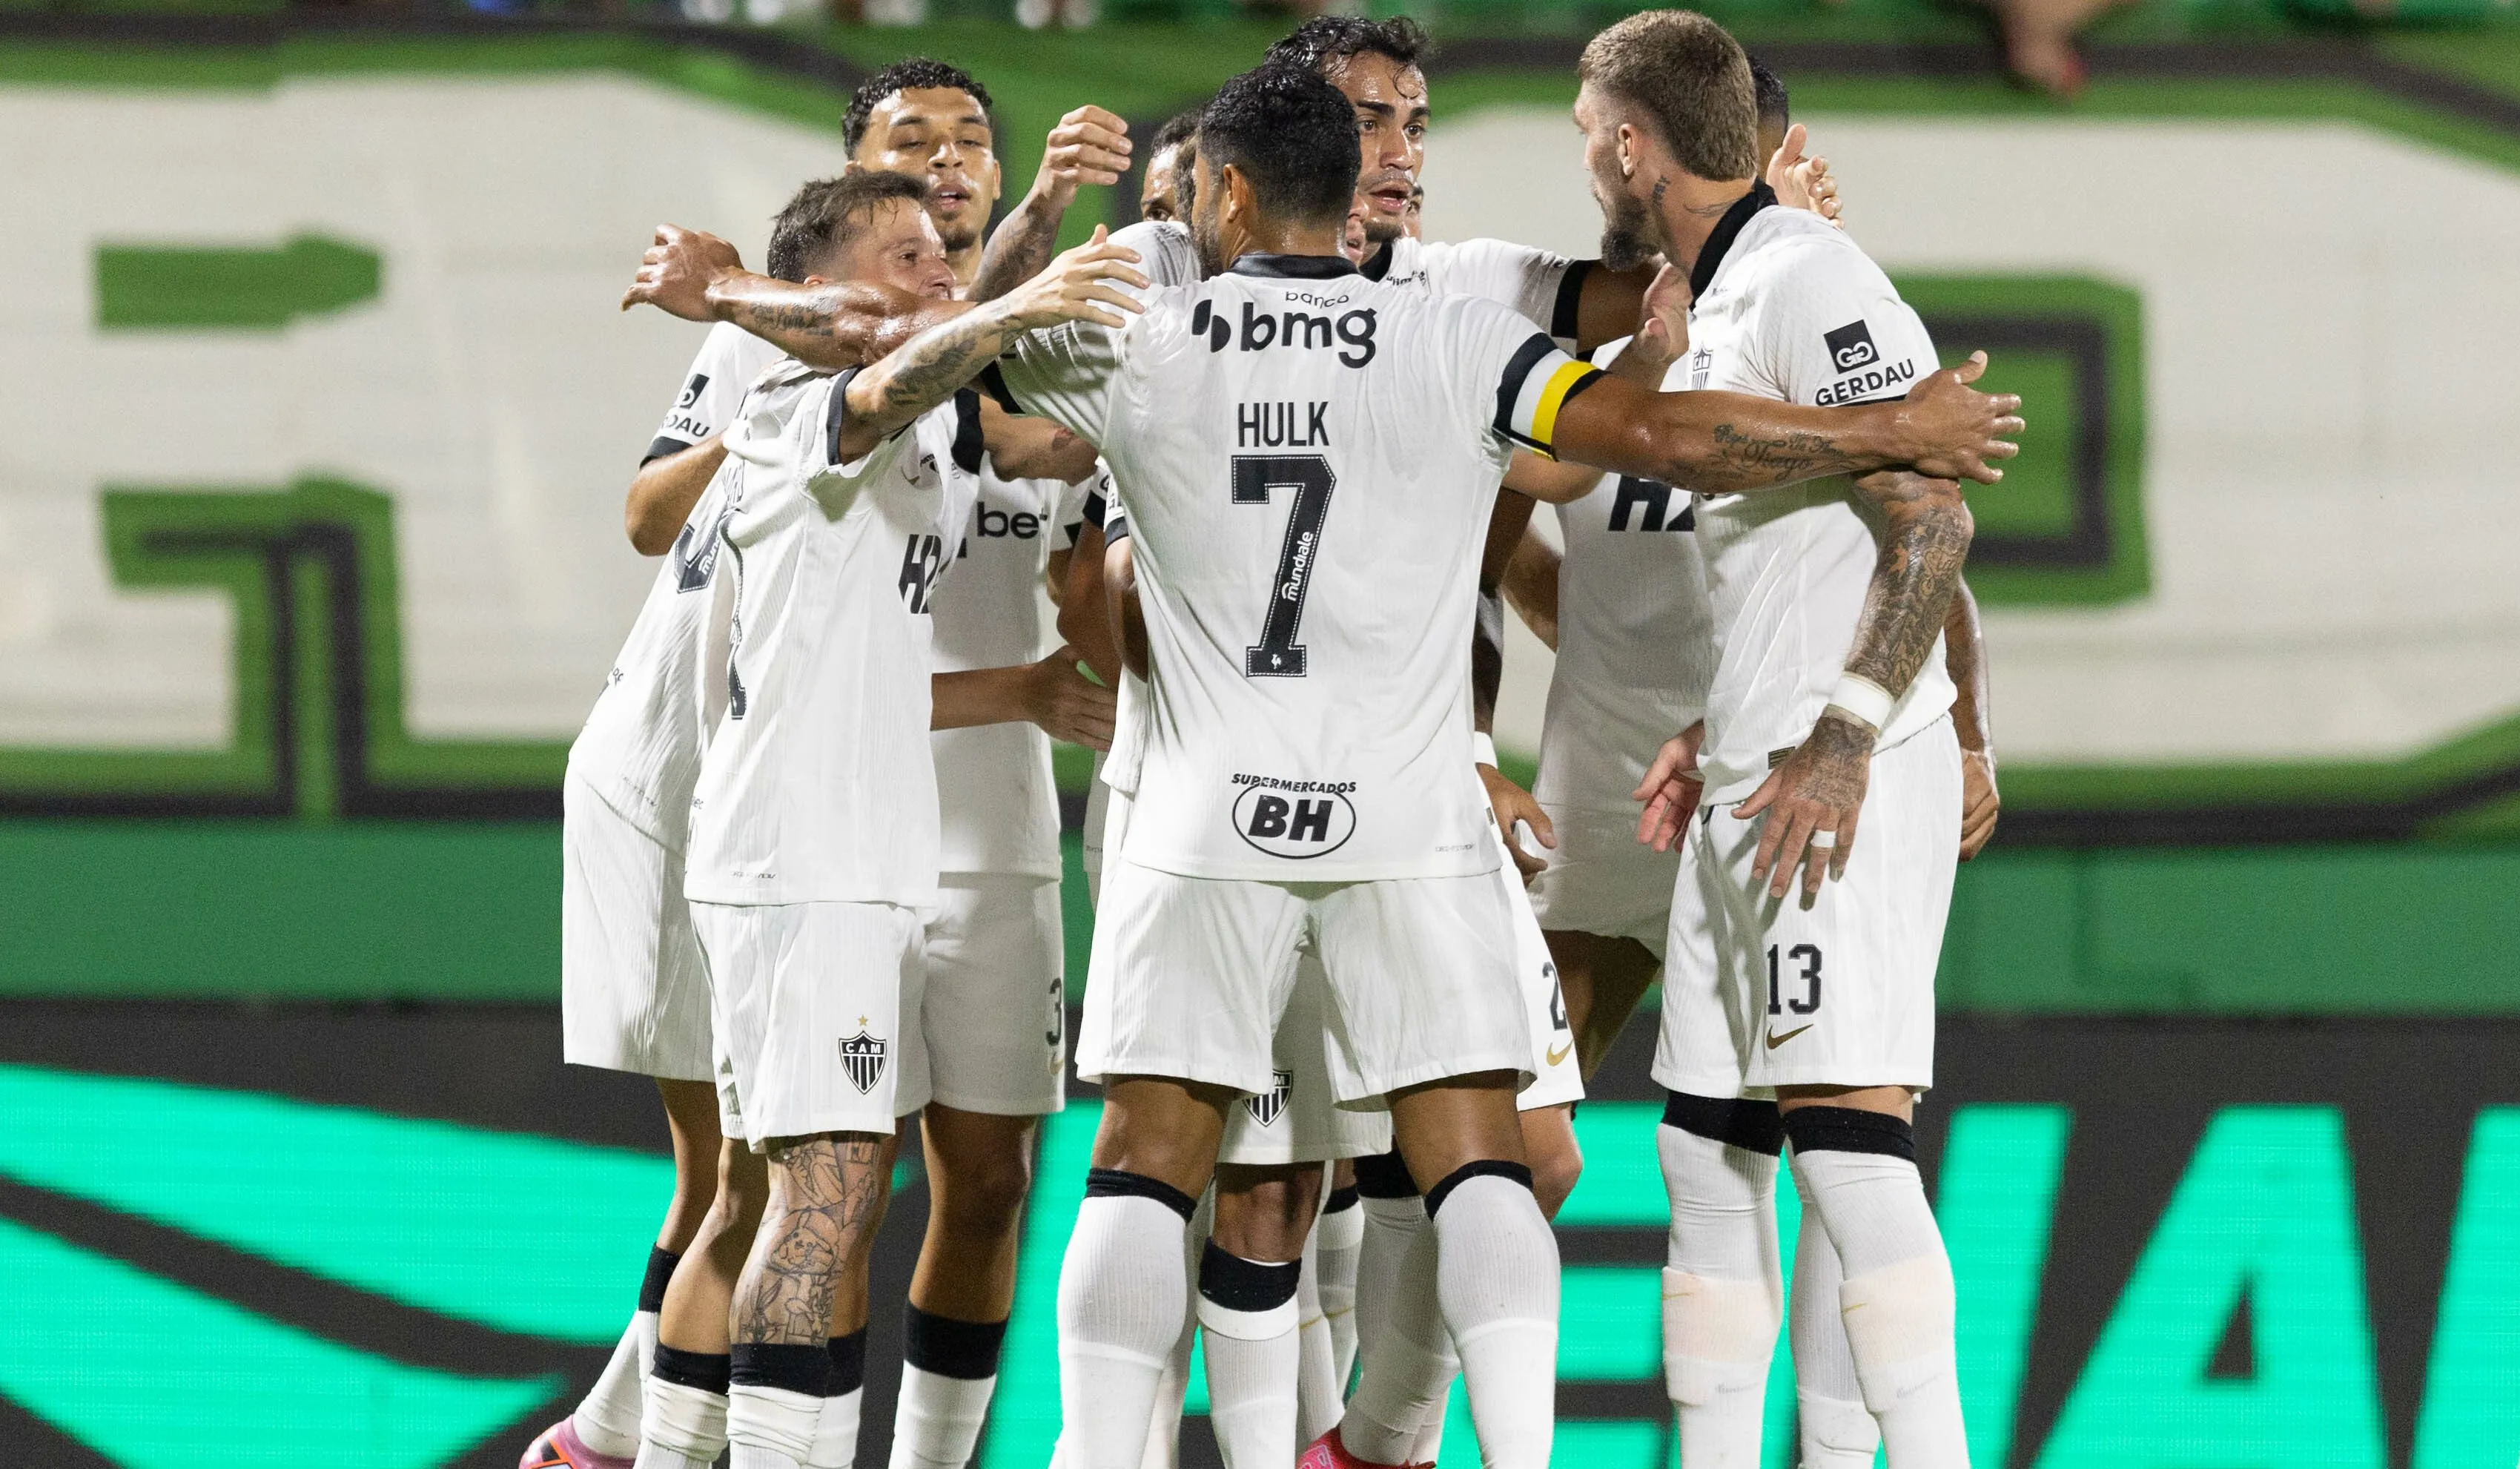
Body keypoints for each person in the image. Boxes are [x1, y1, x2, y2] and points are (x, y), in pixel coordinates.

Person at [983, 58, 2018, 1469]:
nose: (1405, 147)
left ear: (1226, 188)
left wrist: (1020, 275)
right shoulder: (1453, 333)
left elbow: (971, 400)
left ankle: (1165, 1451)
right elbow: (1646, 440)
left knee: (1159, 1154)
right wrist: (1880, 428)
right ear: (1344, 186)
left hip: (1212, 806)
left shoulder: (1149, 332)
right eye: (1379, 126)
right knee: (1491, 1146)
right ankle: (1453, 1446)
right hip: (1444, 800)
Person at [604, 58, 1129, 1469]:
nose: (939, 255)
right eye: (904, 246)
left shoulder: (931, 411)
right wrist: (1011, 292)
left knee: (829, 1192)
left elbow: (1023, 418)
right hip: (797, 863)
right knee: (813, 1200)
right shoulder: (798, 405)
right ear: (831, 289)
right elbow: (871, 346)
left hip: (861, 860)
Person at [1570, 13, 1987, 1468]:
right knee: (1701, 1145)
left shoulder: (1815, 281)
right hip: (1752, 758)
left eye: (1586, 133)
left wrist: (1848, 731)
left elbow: (1935, 525)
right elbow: (1791, 554)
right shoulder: (1731, 291)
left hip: (1837, 768)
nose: (1585, 159)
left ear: (1634, 145)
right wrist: (1725, 720)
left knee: (1847, 1139)